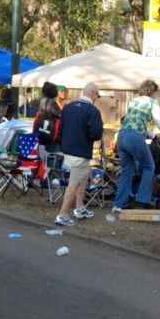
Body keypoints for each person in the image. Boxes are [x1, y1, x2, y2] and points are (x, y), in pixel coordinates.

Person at [55, 83, 103, 227]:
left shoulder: (68, 107)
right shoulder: (93, 111)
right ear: (93, 94)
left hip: (68, 149)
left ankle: (80, 207)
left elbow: (61, 129)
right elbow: (96, 133)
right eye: (98, 95)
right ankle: (62, 215)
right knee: (75, 183)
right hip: (81, 151)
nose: (97, 98)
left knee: (83, 177)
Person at [112, 79, 160, 213]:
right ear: (152, 92)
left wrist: (153, 136)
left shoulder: (133, 101)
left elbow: (138, 122)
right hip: (135, 137)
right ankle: (143, 199)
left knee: (127, 171)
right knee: (149, 166)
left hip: (122, 136)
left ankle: (119, 203)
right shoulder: (153, 103)